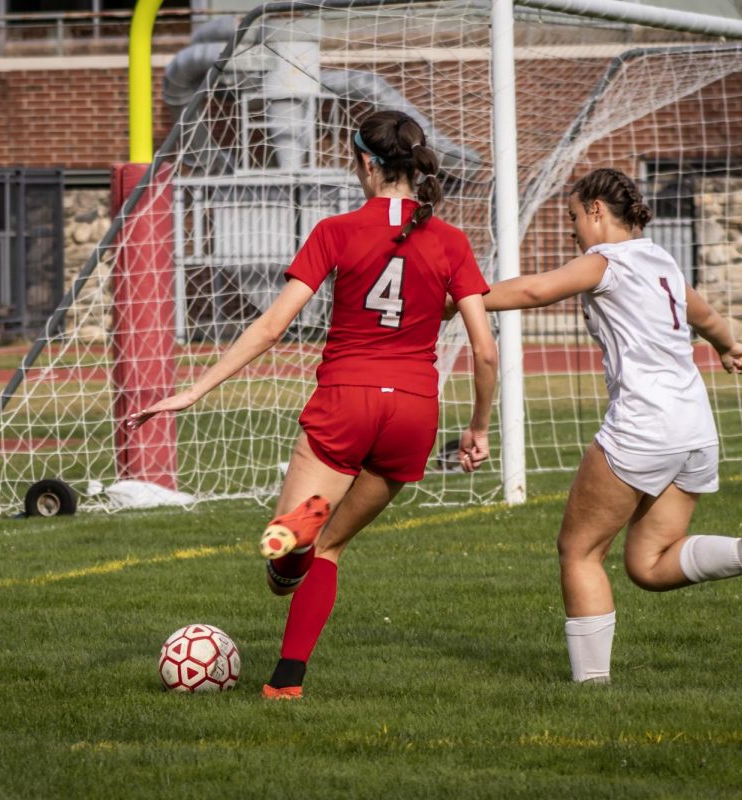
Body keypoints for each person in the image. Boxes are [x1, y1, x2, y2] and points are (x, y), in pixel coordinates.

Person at [125, 110, 498, 699]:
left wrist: (194, 390)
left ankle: (296, 542)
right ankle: (285, 683)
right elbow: (484, 352)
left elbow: (273, 326)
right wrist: (477, 428)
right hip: (414, 411)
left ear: (368, 165)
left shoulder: (336, 230)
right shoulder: (450, 240)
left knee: (286, 572)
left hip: (345, 400)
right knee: (333, 547)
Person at [452, 167, 742, 685]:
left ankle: (591, 688)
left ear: (596, 210)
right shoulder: (661, 257)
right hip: (695, 428)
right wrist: (728, 346)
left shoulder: (605, 262)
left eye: (574, 216)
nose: (573, 229)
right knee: (647, 564)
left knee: (579, 551)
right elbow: (704, 313)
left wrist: (459, 298)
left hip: (643, 426)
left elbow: (533, 292)